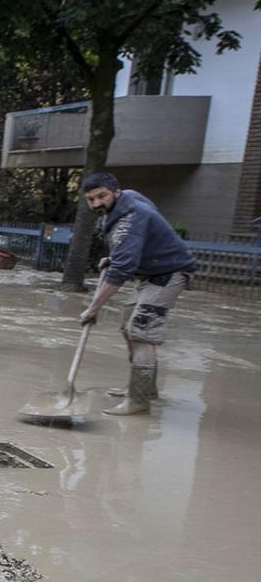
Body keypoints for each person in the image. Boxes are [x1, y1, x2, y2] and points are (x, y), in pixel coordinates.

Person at [78, 173, 196, 415]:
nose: (97, 203)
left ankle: (139, 401)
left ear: (115, 192)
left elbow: (120, 273)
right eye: (91, 199)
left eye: (102, 196)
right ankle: (145, 388)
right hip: (149, 273)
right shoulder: (129, 197)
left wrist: (93, 309)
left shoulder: (127, 222)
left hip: (169, 274)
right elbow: (142, 235)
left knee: (142, 332)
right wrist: (117, 256)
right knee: (128, 327)